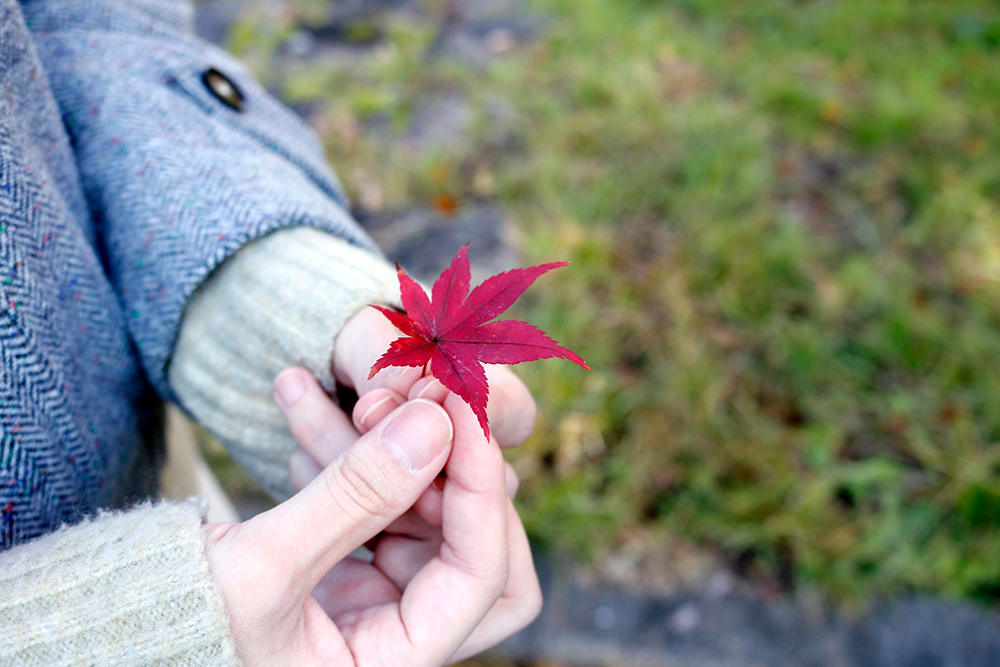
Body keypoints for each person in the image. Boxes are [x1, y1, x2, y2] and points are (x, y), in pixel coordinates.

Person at [0, 0, 542, 664]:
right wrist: (144, 630)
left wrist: (264, 282)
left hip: (166, 501)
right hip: (197, 579)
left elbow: (88, 24)